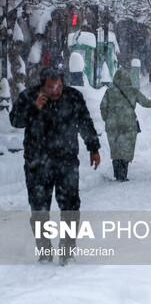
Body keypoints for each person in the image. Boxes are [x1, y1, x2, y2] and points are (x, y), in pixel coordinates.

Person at [9, 67, 101, 265]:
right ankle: (44, 251)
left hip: (66, 162)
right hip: (36, 163)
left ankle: (67, 250)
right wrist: (33, 107)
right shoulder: (29, 96)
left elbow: (85, 122)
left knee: (70, 207)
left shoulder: (73, 97)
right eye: (51, 87)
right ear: (43, 85)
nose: (56, 91)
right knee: (39, 209)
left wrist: (93, 147)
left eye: (59, 86)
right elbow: (15, 121)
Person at [100, 69, 151, 182]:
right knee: (126, 150)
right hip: (128, 124)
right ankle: (123, 175)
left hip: (112, 125)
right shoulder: (133, 91)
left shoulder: (109, 91)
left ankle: (117, 174)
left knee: (115, 149)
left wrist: (107, 118)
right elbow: (146, 102)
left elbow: (103, 107)